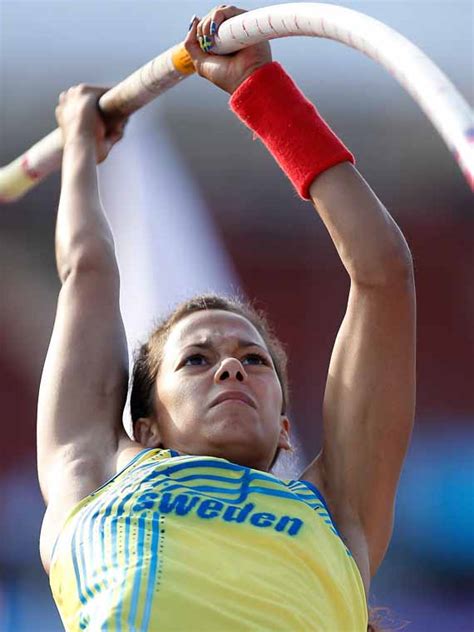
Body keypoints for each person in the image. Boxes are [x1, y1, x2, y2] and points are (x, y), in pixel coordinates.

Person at [37, 5, 416, 631]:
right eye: (196, 360)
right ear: (147, 424)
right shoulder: (96, 475)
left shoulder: (337, 511)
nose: (232, 370)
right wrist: (79, 147)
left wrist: (262, 92)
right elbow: (87, 270)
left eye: (253, 360)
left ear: (287, 430)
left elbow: (382, 275)